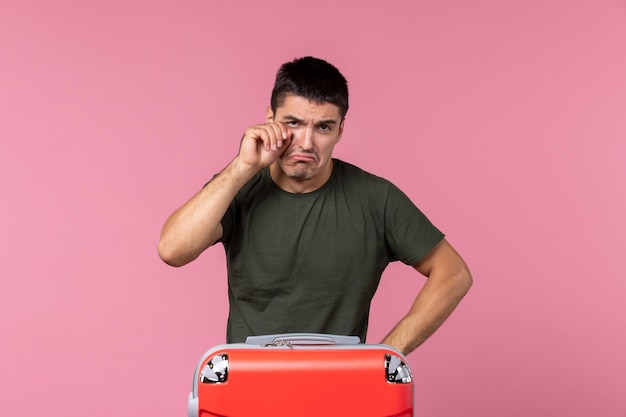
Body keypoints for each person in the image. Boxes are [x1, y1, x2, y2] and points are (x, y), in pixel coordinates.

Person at [158, 56, 472, 355]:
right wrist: (242, 167)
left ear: (340, 130)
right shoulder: (238, 186)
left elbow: (453, 274)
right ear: (270, 120)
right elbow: (172, 250)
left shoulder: (376, 198)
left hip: (340, 391)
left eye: (323, 127)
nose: (306, 142)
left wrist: (384, 354)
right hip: (250, 387)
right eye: (293, 123)